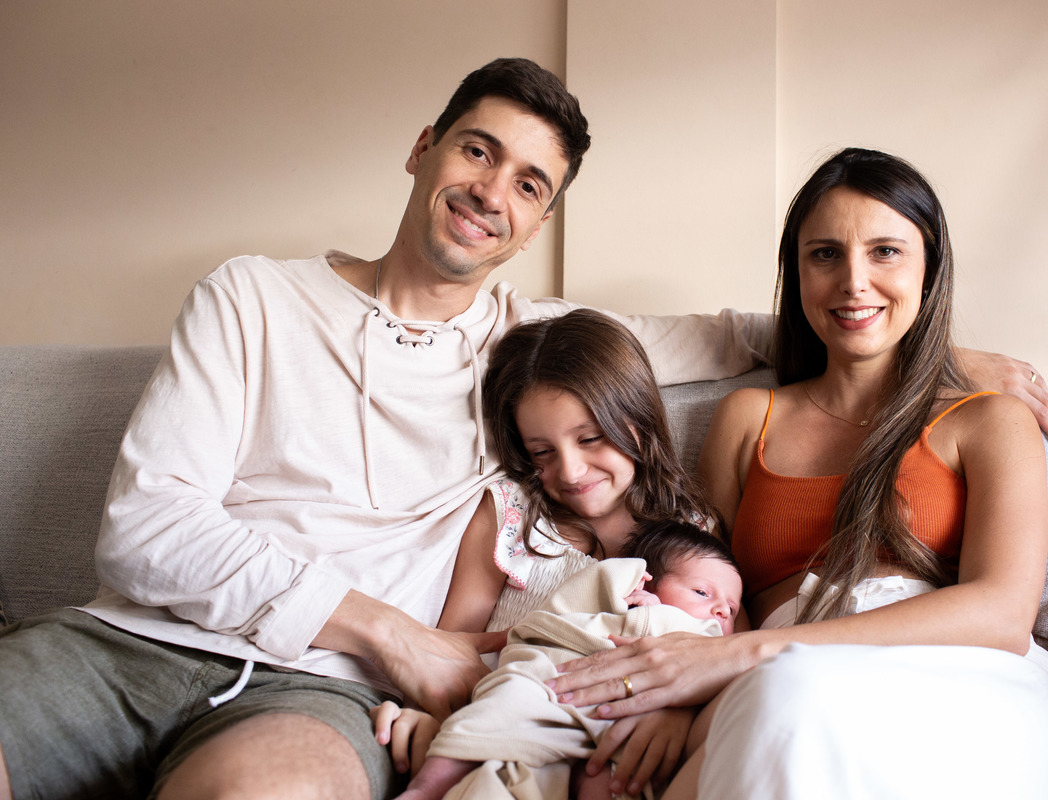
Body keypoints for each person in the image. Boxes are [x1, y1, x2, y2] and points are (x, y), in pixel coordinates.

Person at [0, 58, 768, 800]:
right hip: (124, 645)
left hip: (320, 690)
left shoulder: (533, 351)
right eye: (478, 151)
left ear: (536, 227)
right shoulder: (250, 296)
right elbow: (146, 527)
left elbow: (739, 336)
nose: (491, 192)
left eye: (528, 185)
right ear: (422, 148)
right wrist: (395, 636)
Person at [547, 148, 1048, 800]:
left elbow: (1002, 613)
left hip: (959, 676)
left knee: (788, 697)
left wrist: (741, 658)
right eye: (825, 254)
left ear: (929, 268)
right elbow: (706, 583)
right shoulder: (748, 417)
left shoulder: (991, 420)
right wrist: (686, 690)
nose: (854, 281)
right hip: (771, 683)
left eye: (885, 252)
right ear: (797, 274)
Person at [373, 310, 722, 799]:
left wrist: (679, 710)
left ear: (639, 418)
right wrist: (424, 716)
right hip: (506, 732)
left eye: (590, 439)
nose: (571, 471)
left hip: (619, 747)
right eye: (542, 452)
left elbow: (724, 648)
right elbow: (451, 647)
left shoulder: (694, 531)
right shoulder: (510, 516)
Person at [375, 520, 741, 800]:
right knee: (503, 703)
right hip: (552, 688)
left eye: (732, 609)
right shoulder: (622, 594)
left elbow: (725, 671)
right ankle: (427, 788)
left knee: (611, 774)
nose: (721, 610)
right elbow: (564, 618)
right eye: (702, 592)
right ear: (645, 581)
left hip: (622, 718)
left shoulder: (710, 643)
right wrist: (641, 606)